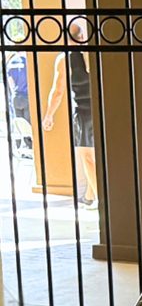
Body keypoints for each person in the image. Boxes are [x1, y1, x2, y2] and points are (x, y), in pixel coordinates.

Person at [42, 22, 97, 208]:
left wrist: (49, 115)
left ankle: (102, 201)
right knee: (94, 156)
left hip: (83, 112)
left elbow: (58, 91)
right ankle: (90, 196)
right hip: (101, 110)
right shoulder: (94, 54)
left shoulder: (65, 59)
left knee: (87, 157)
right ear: (82, 37)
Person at [5, 52, 28, 122]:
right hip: (27, 95)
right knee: (29, 125)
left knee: (20, 125)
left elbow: (10, 81)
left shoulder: (11, 62)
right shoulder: (26, 61)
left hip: (16, 97)